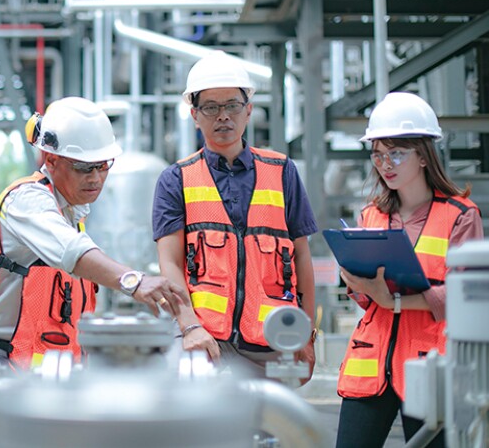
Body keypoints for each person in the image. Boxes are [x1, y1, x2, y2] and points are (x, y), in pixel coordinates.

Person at [0, 96, 188, 369]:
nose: (96, 178)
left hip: (37, 373)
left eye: (103, 165)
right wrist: (133, 281)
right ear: (51, 160)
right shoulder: (26, 201)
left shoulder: (71, 212)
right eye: (84, 167)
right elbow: (72, 251)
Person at [152, 50, 318, 380]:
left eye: (232, 105)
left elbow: (301, 257)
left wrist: (307, 332)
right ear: (195, 115)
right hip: (203, 340)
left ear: (249, 111)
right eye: (211, 107)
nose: (223, 116)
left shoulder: (282, 171)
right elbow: (169, 263)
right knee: (199, 429)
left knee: (270, 429)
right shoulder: (176, 179)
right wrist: (189, 326)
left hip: (271, 342)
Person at [335, 92, 483, 447]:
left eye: (396, 153)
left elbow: (465, 297)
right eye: (378, 154)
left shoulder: (460, 216)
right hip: (371, 363)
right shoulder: (369, 217)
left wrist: (394, 302)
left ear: (423, 156)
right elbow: (367, 301)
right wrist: (356, 284)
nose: (385, 164)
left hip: (430, 365)